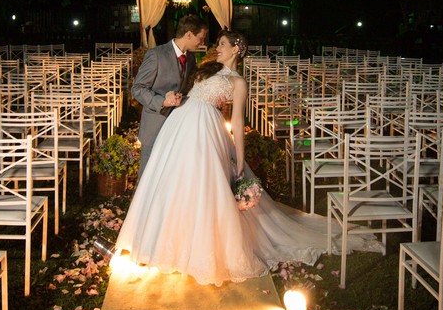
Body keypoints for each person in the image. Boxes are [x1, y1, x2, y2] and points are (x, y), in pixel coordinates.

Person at [115, 30, 377, 286]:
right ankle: (163, 239)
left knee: (201, 183)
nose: (216, 48)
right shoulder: (208, 67)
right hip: (179, 124)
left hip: (204, 129)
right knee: (170, 180)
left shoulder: (238, 81)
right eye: (216, 43)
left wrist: (239, 161)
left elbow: (237, 122)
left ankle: (197, 246)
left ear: (236, 49)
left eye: (221, 44)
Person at [131, 15, 208, 169]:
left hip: (179, 127)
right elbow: (137, 88)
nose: (203, 43)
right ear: (188, 35)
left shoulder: (191, 59)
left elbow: (188, 88)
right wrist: (162, 101)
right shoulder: (156, 55)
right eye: (201, 38)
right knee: (148, 176)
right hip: (155, 126)